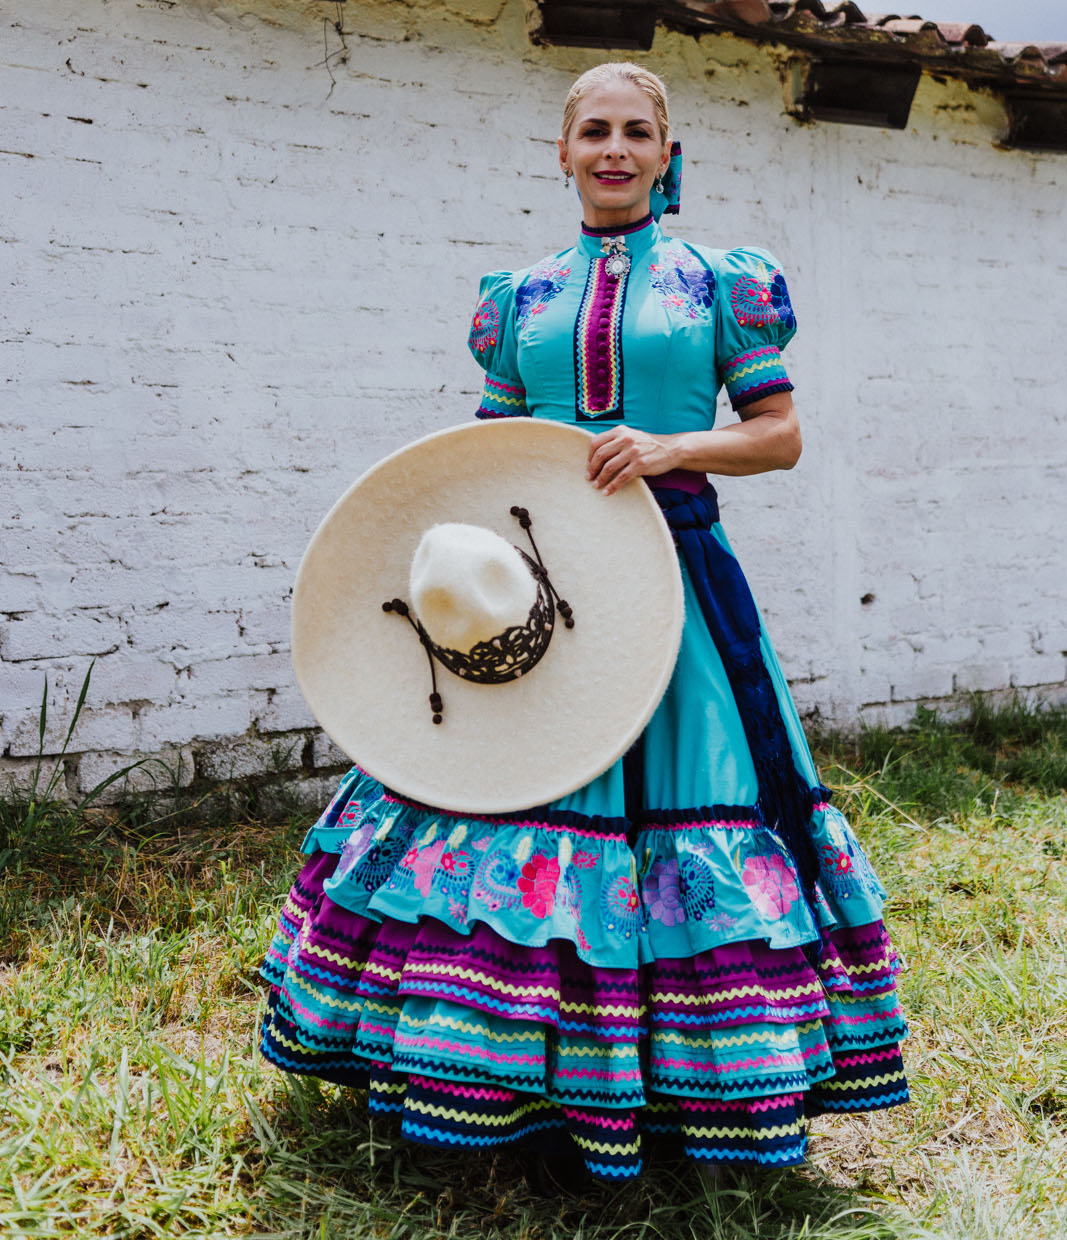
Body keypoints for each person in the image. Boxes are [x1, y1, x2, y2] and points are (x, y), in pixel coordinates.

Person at [260, 62, 908, 1186]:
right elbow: (490, 455)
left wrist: (668, 448)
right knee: (502, 781)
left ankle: (672, 1093)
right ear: (560, 154)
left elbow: (779, 434)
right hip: (536, 572)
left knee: (679, 810)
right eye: (594, 132)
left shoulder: (717, 283)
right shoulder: (518, 299)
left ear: (666, 154)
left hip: (676, 574)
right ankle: (492, 1077)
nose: (615, 149)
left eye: (637, 132)